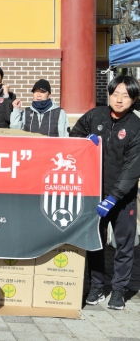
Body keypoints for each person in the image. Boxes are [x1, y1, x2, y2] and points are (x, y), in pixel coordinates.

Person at [71, 75, 140, 310]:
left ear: (134, 99)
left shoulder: (136, 127)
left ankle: (119, 290)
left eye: (125, 96)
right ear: (109, 94)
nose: (119, 99)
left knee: (124, 245)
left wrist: (114, 197)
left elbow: (132, 168)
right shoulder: (95, 115)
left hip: (122, 198)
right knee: (95, 242)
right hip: (94, 193)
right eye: (115, 94)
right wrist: (84, 141)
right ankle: (96, 287)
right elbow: (74, 135)